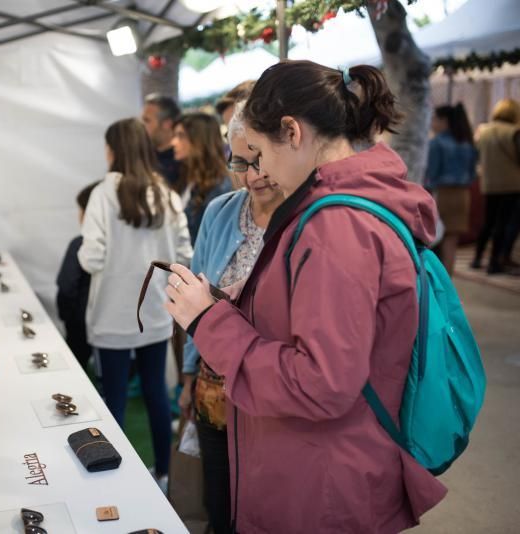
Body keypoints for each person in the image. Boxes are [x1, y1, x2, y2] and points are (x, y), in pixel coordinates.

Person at [164, 60, 447, 533]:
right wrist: (247, 302)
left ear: (291, 132)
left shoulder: (336, 224)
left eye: (257, 152)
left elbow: (322, 383)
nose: (258, 172)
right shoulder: (340, 208)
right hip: (325, 464)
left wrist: (209, 321)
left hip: (320, 481)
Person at [178, 102, 284, 534]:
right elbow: (194, 295)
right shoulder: (221, 211)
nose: (252, 175)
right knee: (219, 502)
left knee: (267, 504)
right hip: (214, 387)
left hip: (271, 390)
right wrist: (188, 373)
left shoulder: (306, 216)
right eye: (240, 162)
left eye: (259, 161)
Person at [78, 118, 192, 488]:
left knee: (114, 401)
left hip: (111, 313)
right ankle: (163, 474)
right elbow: (184, 255)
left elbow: (92, 259)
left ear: (114, 149)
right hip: (156, 311)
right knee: (156, 393)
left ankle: (115, 483)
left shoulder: (101, 194)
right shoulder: (166, 193)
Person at [425, 104, 478, 274]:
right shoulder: (466, 142)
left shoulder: (436, 143)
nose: (432, 123)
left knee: (433, 238)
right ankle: (448, 283)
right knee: (451, 242)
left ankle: (433, 281)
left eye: (435, 119)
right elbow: (472, 174)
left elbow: (432, 174)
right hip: (463, 195)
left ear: (444, 121)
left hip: (442, 193)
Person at [472, 99, 520, 274]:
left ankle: (477, 258)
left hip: (489, 183)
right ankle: (496, 262)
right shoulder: (514, 132)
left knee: (488, 222)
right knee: (506, 224)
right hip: (512, 185)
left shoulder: (484, 131)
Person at [56, 181, 99, 371]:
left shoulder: (79, 244)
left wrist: (65, 315)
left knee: (75, 367)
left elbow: (66, 286)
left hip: (78, 322)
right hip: (104, 323)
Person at [171, 112, 234, 244]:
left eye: (181, 136)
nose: (173, 142)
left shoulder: (220, 187)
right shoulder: (185, 179)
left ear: (200, 140)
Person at [141, 93, 181, 188]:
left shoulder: (183, 163)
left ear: (167, 124)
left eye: (147, 120)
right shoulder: (143, 157)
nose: (141, 126)